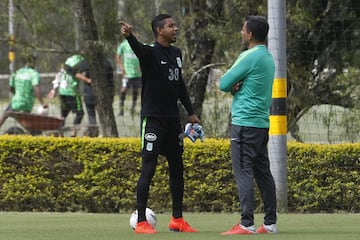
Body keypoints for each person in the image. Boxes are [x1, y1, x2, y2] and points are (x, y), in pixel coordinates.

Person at [120, 14, 201, 234]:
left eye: (174, 25)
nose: (175, 29)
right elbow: (137, 48)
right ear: (159, 30)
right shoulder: (149, 52)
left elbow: (180, 84)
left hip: (173, 121)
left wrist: (191, 113)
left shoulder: (177, 53)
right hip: (153, 120)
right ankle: (142, 223)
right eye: (170, 26)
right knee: (148, 168)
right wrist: (129, 36)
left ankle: (177, 219)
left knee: (177, 168)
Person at [219, 15, 278, 235]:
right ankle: (270, 224)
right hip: (261, 125)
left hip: (244, 124)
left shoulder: (249, 56)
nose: (241, 33)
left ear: (250, 34)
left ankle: (246, 223)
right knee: (263, 172)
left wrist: (233, 87)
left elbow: (224, 83)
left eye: (243, 29)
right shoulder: (268, 57)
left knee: (243, 171)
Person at [47, 54, 90, 137]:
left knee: (63, 115)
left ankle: (61, 134)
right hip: (72, 92)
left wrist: (54, 89)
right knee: (80, 113)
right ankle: (73, 133)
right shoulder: (80, 60)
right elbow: (77, 74)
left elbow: (59, 75)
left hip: (62, 92)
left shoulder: (67, 61)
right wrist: (88, 80)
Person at [0, 54, 47, 129]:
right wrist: (42, 103)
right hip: (28, 103)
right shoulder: (34, 74)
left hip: (17, 101)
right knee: (26, 121)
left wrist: (17, 94)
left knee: (5, 115)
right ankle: (32, 134)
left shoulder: (17, 72)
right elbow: (36, 88)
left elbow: (11, 87)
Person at [115, 38, 142, 116]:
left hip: (137, 73)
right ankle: (121, 109)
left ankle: (133, 109)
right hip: (127, 74)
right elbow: (117, 55)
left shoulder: (138, 44)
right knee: (123, 90)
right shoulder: (124, 44)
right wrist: (121, 66)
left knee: (135, 91)